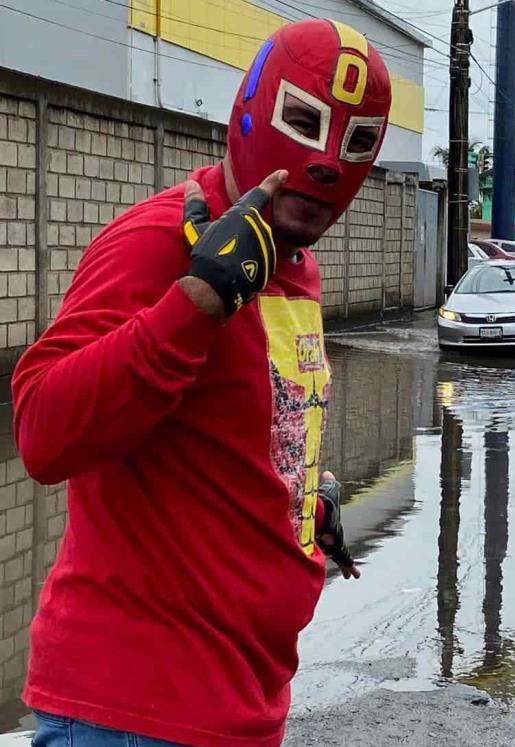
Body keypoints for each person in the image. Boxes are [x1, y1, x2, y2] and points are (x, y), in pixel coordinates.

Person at [11, 18, 392, 747]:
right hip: (134, 711)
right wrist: (197, 300)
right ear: (250, 111)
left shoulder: (294, 260)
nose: (322, 168)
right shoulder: (161, 242)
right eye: (303, 123)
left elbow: (236, 422)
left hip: (240, 699)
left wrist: (296, 502)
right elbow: (42, 431)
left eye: (355, 145)